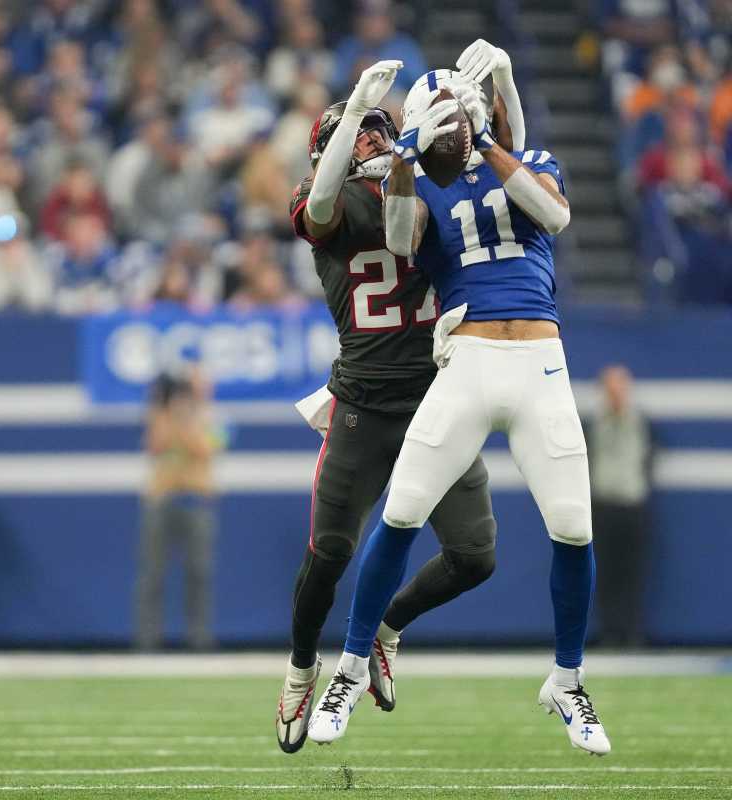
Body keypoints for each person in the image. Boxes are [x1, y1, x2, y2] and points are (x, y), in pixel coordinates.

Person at [312, 61, 611, 755]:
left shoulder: (530, 159)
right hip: (469, 361)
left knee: (572, 526)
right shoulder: (422, 184)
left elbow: (555, 215)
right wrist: (411, 154)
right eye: (439, 109)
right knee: (403, 510)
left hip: (540, 362)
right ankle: (353, 666)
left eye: (461, 107)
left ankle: (567, 680)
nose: (453, 118)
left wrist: (486, 138)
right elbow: (396, 240)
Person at [274, 45, 525, 754]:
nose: (378, 140)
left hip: (437, 398)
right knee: (328, 553)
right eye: (363, 133)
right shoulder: (334, 201)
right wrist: (352, 108)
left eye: (384, 130)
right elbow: (320, 203)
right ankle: (300, 671)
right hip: (360, 403)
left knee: (476, 555)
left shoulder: (428, 187)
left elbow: (505, 161)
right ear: (331, 149)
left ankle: (385, 628)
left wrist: (491, 94)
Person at [135, 369, 223, 651]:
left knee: (199, 572)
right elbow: (155, 446)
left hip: (196, 501)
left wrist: (185, 417)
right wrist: (163, 408)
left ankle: (199, 637)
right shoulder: (160, 415)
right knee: (153, 572)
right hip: (163, 499)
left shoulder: (212, 418)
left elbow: (204, 449)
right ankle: (148, 638)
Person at [585, 365, 654, 648]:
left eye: (619, 388)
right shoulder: (593, 424)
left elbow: (649, 459)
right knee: (605, 571)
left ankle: (632, 632)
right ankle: (610, 632)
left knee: (633, 571)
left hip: (632, 505)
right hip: (603, 506)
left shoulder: (640, 422)